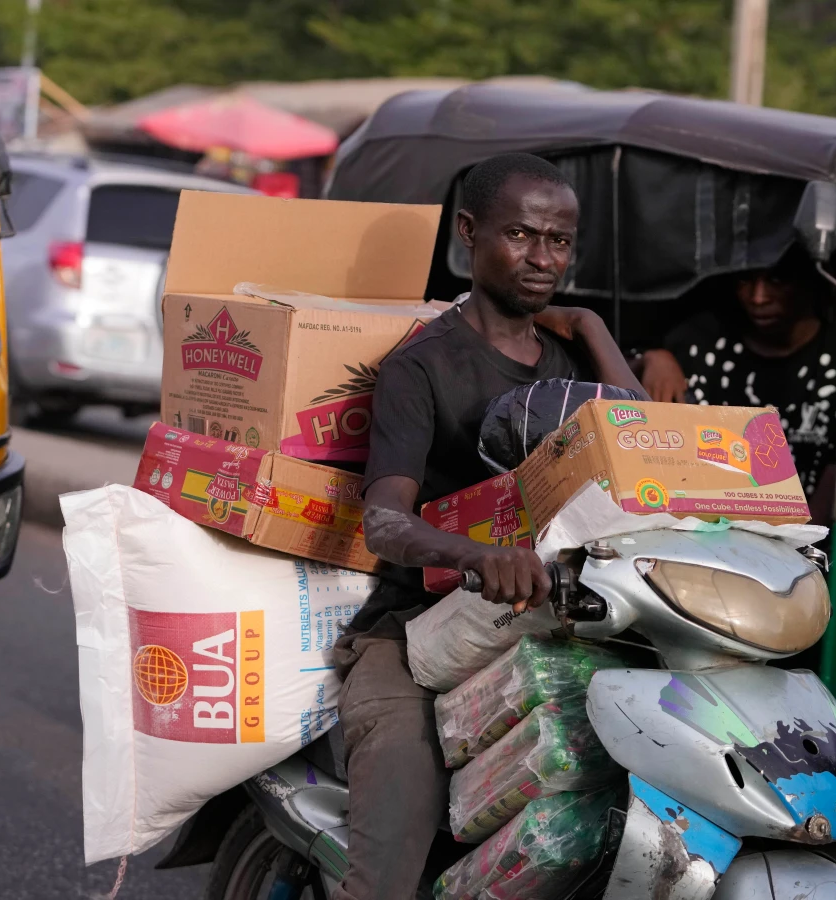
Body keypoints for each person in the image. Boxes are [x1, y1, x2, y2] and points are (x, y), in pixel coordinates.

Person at [335, 153, 647, 900]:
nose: (543, 258)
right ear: (469, 235)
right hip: (417, 629)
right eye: (520, 234)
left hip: (562, 619)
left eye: (560, 241)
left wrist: (592, 325)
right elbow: (384, 522)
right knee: (394, 835)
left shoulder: (571, 360)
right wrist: (478, 555)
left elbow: (646, 444)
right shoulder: (422, 368)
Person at [638, 254, 836, 523]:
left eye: (777, 280)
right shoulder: (699, 343)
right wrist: (651, 358)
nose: (758, 297)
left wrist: (797, 549)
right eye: (746, 279)